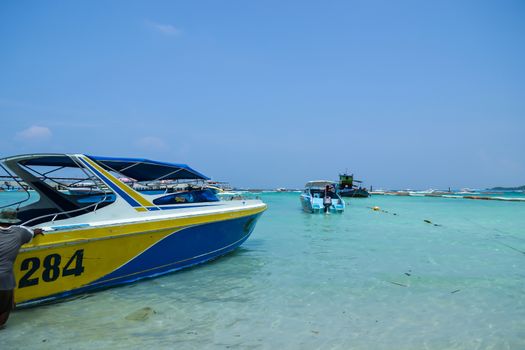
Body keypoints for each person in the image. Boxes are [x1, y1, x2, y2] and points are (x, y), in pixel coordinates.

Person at [0, 211, 43, 328]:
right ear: (13, 221)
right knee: (4, 309)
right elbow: (34, 232)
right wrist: (38, 231)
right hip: (5, 278)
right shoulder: (20, 232)